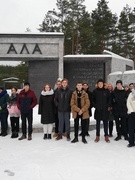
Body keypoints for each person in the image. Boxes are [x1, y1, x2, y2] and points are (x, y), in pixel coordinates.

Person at [93, 79, 111, 143]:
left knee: (106, 123)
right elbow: (93, 100)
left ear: (103, 84)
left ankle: (106, 136)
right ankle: (97, 136)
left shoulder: (106, 91)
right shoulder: (95, 91)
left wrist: (107, 106)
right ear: (97, 84)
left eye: (101, 83)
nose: (100, 85)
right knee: (97, 124)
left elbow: (109, 99)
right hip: (98, 110)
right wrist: (95, 106)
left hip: (105, 110)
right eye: (99, 83)